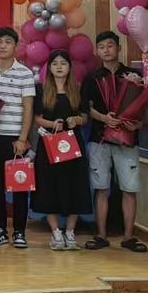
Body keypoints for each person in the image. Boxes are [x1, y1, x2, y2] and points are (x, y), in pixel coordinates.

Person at [82, 31, 148, 253]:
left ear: (119, 48)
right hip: (99, 140)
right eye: (101, 47)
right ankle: (101, 235)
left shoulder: (134, 76)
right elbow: (85, 108)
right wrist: (104, 118)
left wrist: (137, 124)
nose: (106, 50)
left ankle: (129, 237)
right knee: (101, 188)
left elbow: (144, 106)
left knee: (130, 188)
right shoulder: (91, 78)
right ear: (97, 51)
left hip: (127, 140)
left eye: (110, 46)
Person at [32, 49, 92, 250]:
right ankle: (56, 233)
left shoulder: (78, 89)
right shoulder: (41, 90)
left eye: (63, 63)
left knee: (75, 185)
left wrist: (77, 120)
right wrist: (52, 124)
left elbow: (85, 116)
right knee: (49, 186)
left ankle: (70, 232)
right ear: (49, 67)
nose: (59, 67)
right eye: (55, 63)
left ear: (69, 67)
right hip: (49, 144)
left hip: (73, 144)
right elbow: (37, 118)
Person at [0, 27, 35, 248]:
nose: (2, 46)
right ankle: (0, 230)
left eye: (7, 42)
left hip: (15, 138)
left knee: (20, 185)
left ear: (15, 46)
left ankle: (19, 231)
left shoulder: (25, 73)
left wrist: (22, 138)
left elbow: (28, 107)